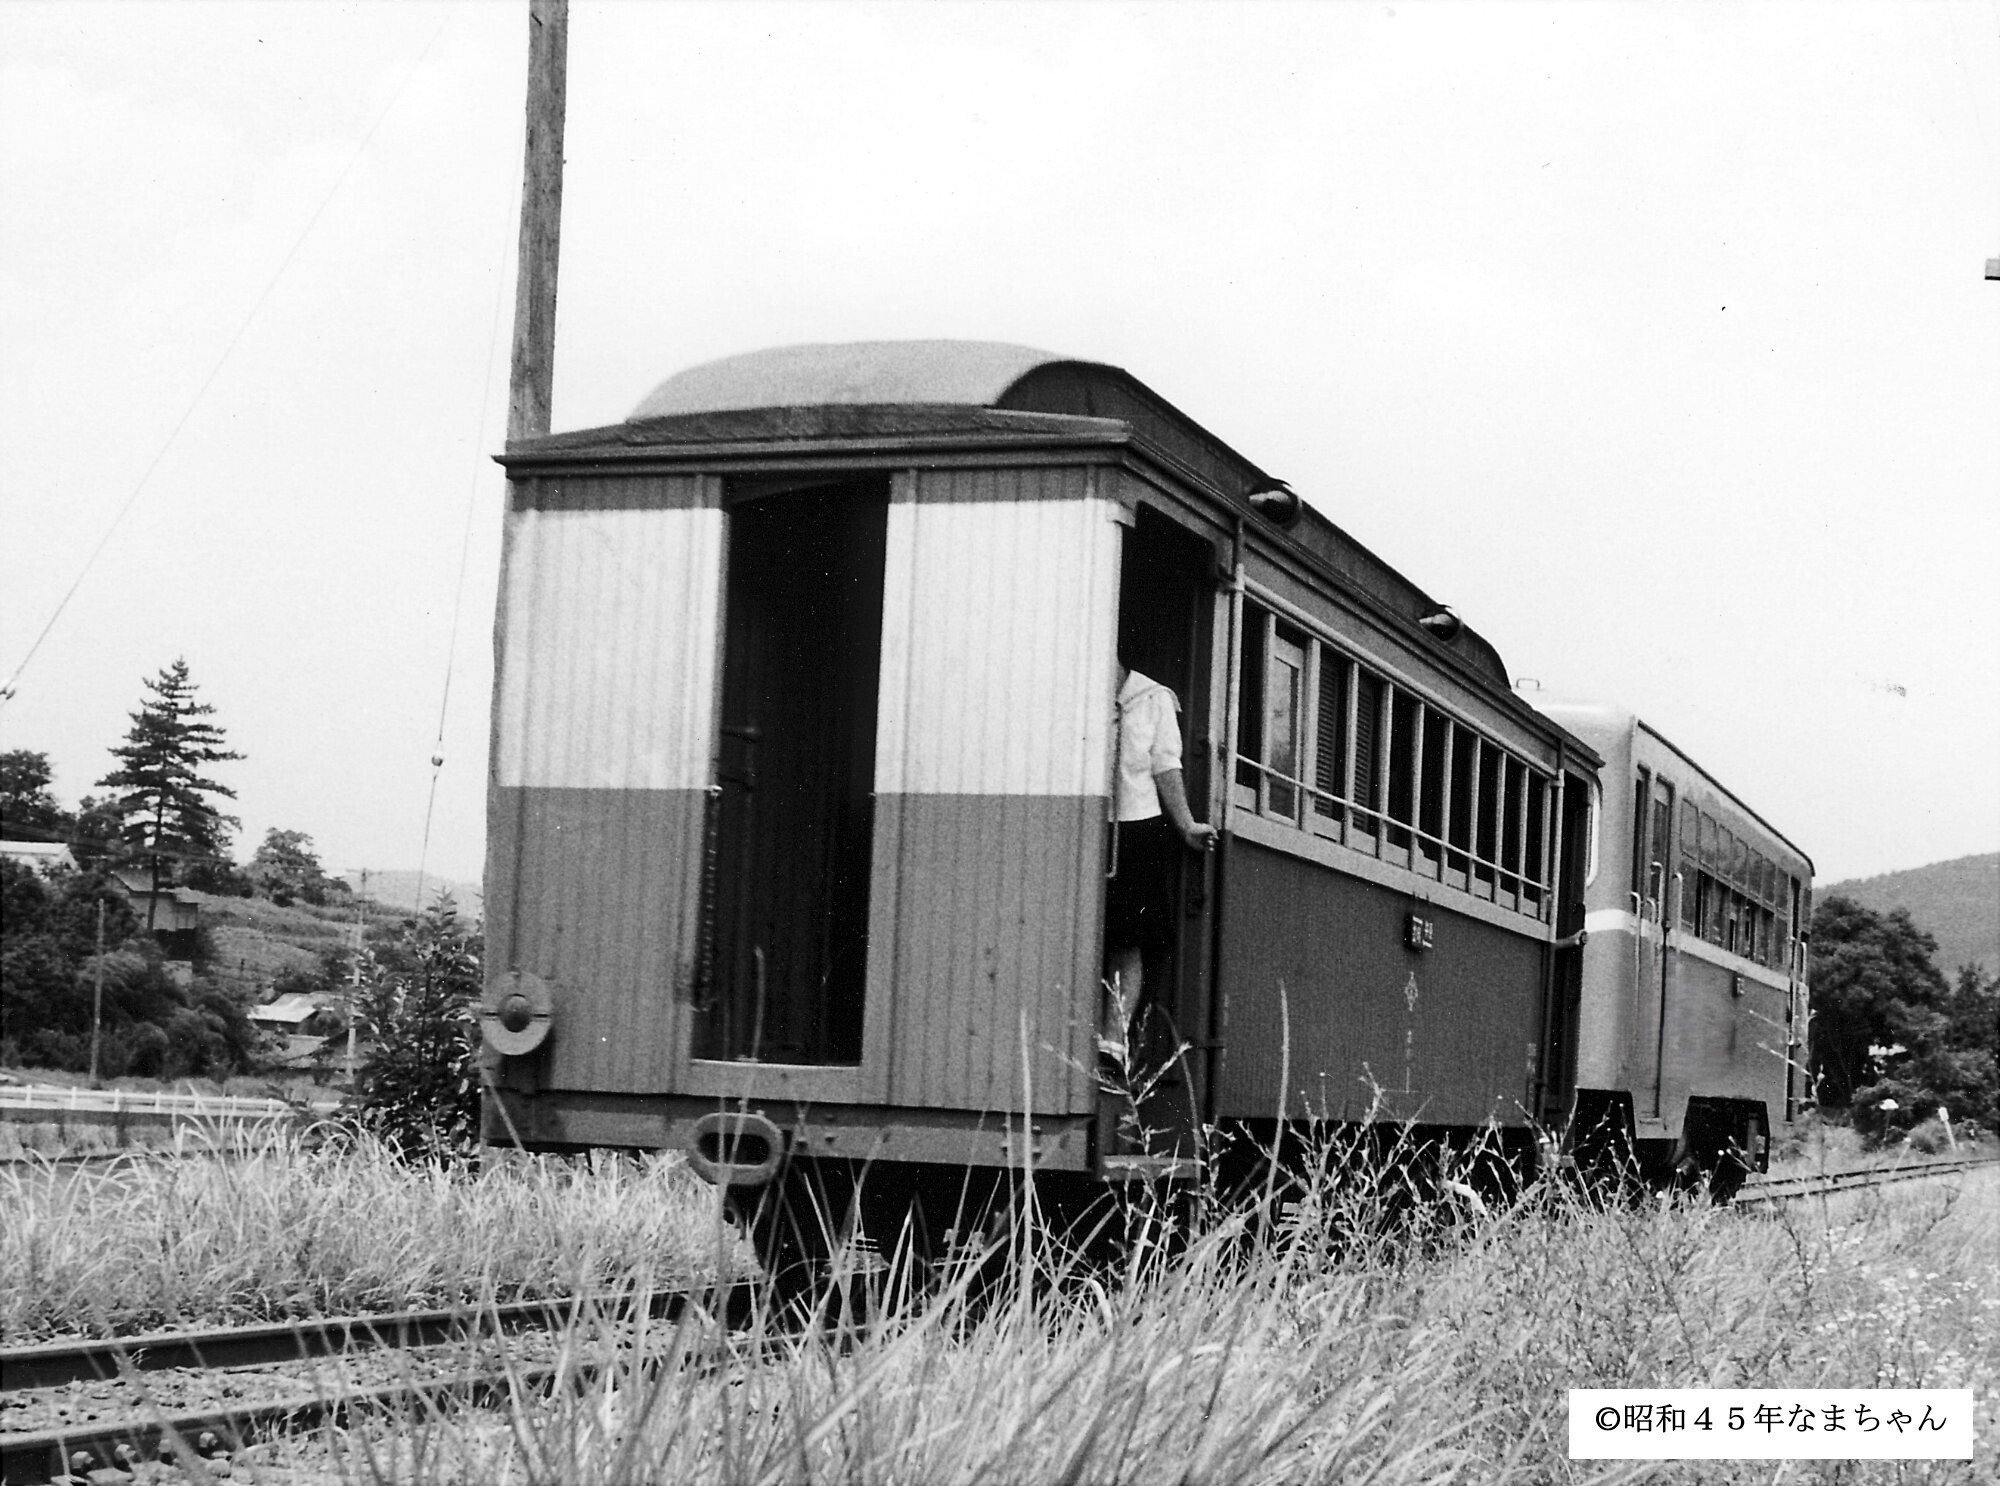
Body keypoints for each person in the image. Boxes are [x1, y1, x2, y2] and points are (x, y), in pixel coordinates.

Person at [1104, 663, 1216, 1054]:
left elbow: (1166, 765)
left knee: (1128, 940)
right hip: (1089, 823)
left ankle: (1113, 1042)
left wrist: (1186, 825)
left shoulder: (1154, 697)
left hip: (1137, 828)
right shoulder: (1078, 692)